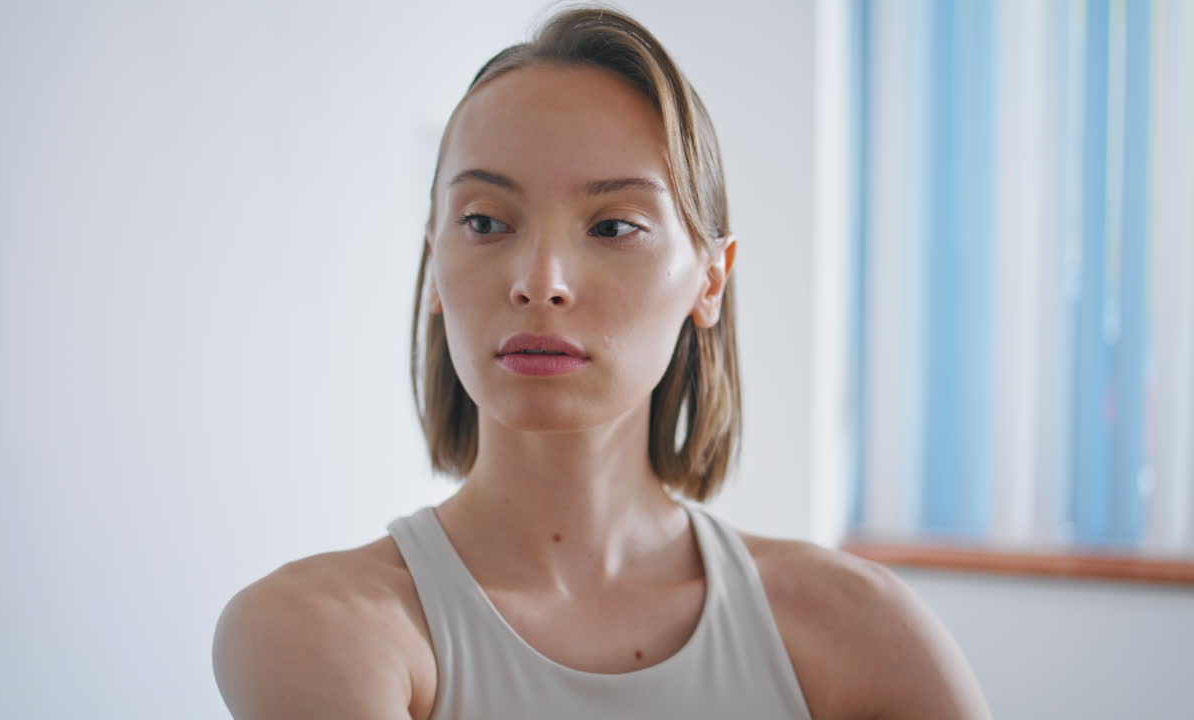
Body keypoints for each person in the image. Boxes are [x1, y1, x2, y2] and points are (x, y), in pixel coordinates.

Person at [212, 4, 993, 718]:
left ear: (710, 279)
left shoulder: (861, 629)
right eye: (485, 221)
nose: (538, 282)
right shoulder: (321, 628)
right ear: (435, 265)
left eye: (614, 227)